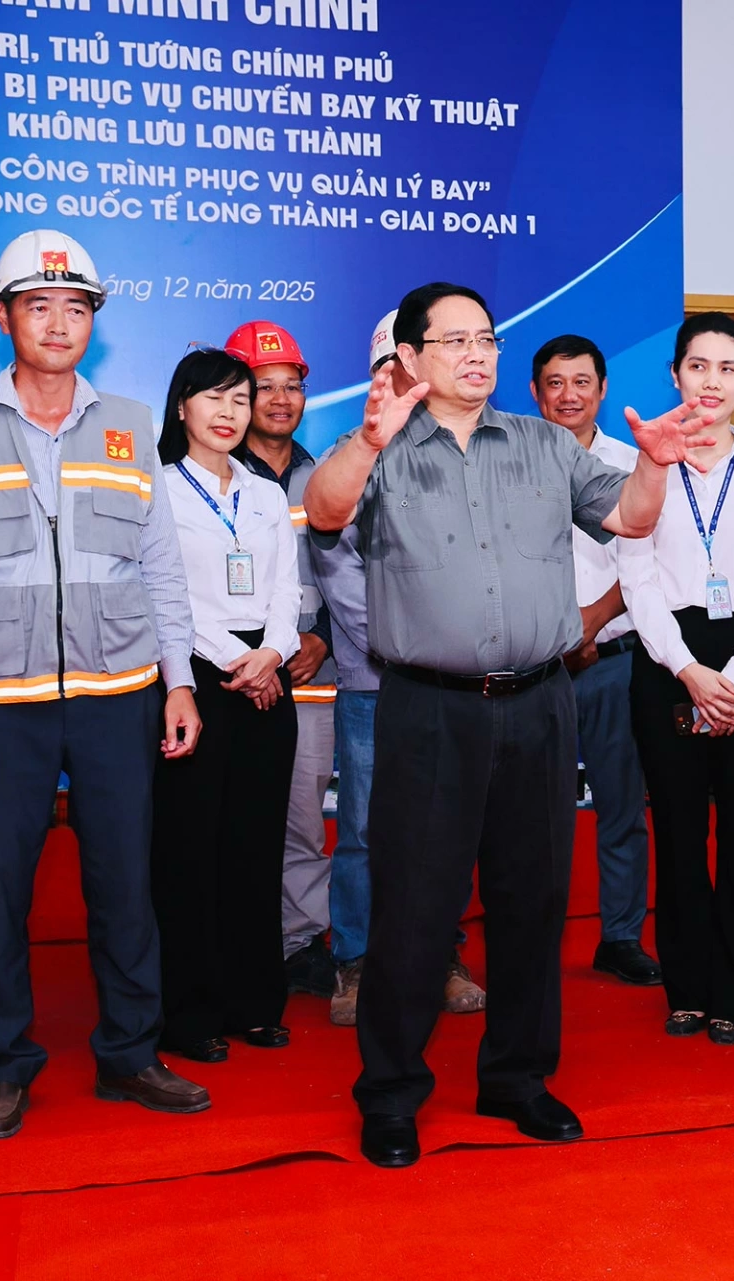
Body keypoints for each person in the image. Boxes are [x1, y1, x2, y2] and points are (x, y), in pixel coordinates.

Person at [302, 282, 717, 1168]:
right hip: (425, 708)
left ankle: (518, 1079)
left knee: (532, 901)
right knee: (414, 908)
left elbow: (633, 518)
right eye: (454, 340)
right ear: (409, 359)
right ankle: (391, 1093)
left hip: (538, 702)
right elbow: (326, 513)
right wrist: (369, 441)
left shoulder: (543, 445)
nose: (478, 354)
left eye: (486, 337)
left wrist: (655, 463)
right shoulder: (375, 451)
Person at [0, 229, 209, 1140]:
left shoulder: (125, 424)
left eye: (76, 307)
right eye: (38, 304)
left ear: (95, 322)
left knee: (125, 881)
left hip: (122, 691)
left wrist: (180, 681)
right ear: (4, 316)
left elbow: (159, 568)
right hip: (0, 703)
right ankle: (2, 1065)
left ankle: (130, 1052)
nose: (58, 321)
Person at [619, 313, 734, 1044]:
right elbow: (635, 571)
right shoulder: (650, 462)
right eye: (698, 366)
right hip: (668, 660)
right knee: (680, 834)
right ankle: (686, 987)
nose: (712, 381)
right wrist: (689, 670)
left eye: (727, 368)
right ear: (675, 374)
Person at [310, 312, 487, 1028]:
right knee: (361, 830)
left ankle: (440, 954)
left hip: (452, 683)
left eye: (409, 369)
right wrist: (402, 639)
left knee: (450, 825)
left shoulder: (464, 452)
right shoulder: (347, 454)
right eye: (389, 371)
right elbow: (338, 569)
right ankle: (354, 961)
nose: (402, 382)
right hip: (371, 679)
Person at [148, 348, 301, 1061]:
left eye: (240, 399)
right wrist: (233, 660)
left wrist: (272, 652)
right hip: (195, 679)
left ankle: (254, 1002)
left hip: (270, 678)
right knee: (189, 852)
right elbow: (162, 592)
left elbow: (287, 589)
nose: (230, 412)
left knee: (255, 848)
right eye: (214, 398)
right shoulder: (157, 488)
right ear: (182, 407)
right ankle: (190, 1012)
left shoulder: (266, 491)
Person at [530, 334, 661, 987]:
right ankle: (533, 945)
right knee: (532, 819)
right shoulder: (515, 463)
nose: (569, 394)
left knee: (619, 806)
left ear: (603, 389)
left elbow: (648, 561)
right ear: (535, 393)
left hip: (611, 657)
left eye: (581, 381)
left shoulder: (635, 462)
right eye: (555, 382)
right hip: (532, 670)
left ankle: (619, 936)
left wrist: (591, 620)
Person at [224, 321, 341, 1002]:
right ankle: (234, 942)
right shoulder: (202, 469)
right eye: (262, 387)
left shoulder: (325, 475)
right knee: (226, 816)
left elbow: (347, 574)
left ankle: (299, 941)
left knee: (301, 816)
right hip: (224, 672)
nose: (278, 400)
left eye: (290, 386)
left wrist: (321, 633)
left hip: (307, 675)